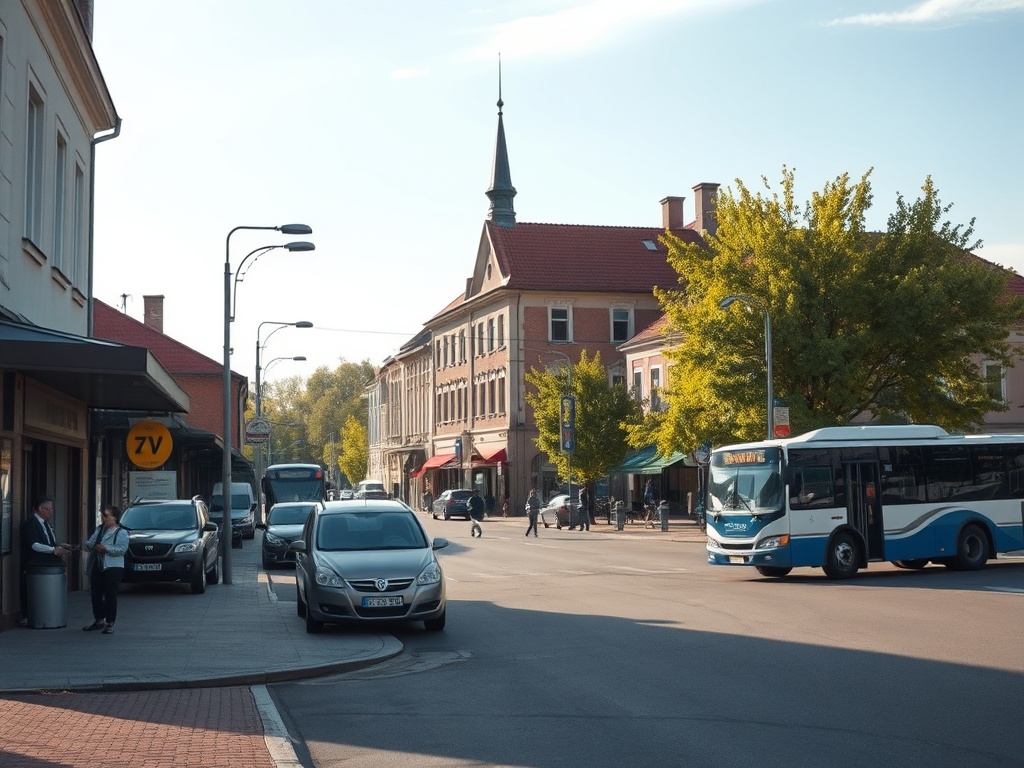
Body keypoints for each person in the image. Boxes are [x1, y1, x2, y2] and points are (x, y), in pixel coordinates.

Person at [82, 505, 129, 635]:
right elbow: (90, 544)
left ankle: (110, 622)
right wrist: (89, 545)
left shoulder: (121, 532)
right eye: (103, 516)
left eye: (106, 516)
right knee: (95, 593)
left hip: (114, 567)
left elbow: (121, 550)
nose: (104, 519)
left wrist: (106, 549)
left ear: (115, 517)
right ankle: (98, 620)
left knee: (110, 595)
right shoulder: (100, 529)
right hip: (98, 565)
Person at [22, 496, 71, 568]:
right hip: (38, 566)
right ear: (40, 508)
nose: (52, 511)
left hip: (49, 565)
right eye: (50, 509)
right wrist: (54, 550)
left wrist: (61, 549)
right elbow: (35, 545)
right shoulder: (31, 523)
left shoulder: (46, 523)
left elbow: (50, 543)